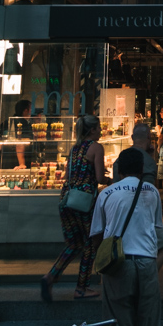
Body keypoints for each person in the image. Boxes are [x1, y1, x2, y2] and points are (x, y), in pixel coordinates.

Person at [91, 148, 163, 326]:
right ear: (142, 169)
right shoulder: (152, 192)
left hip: (118, 263)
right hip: (147, 262)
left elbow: (96, 235)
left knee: (119, 324)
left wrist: (101, 262)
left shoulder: (106, 194)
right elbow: (158, 230)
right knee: (149, 324)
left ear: (118, 171)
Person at [41, 114, 107, 301]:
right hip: (85, 202)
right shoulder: (96, 148)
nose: (101, 131)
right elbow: (100, 178)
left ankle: (50, 276)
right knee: (90, 244)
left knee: (73, 244)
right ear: (92, 130)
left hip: (67, 200)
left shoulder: (74, 149)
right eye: (99, 128)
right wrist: (111, 180)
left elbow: (71, 175)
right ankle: (82, 288)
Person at [12, 99, 33, 170]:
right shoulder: (22, 123)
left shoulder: (11, 120)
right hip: (19, 162)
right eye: (30, 109)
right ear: (25, 111)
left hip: (10, 160)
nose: (31, 112)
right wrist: (22, 164)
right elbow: (20, 144)